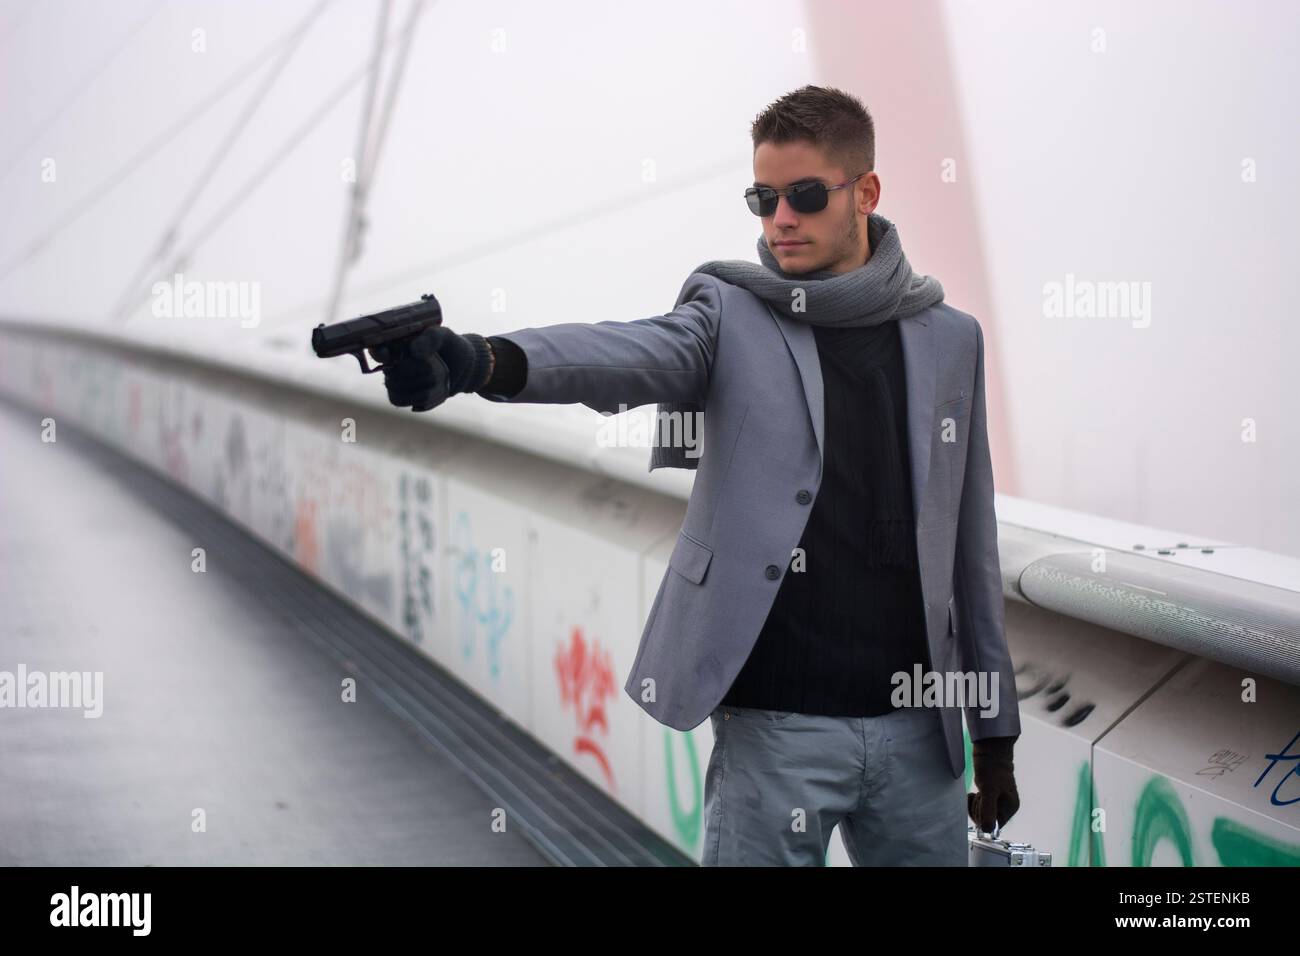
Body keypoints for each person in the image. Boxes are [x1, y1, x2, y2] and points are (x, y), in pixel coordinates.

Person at [369, 85, 1020, 866]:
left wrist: (997, 734)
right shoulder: (731, 313)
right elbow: (624, 356)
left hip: (920, 733)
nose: (780, 219)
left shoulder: (950, 339)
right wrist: (482, 360)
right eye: (763, 197)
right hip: (774, 726)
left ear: (866, 193)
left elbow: (969, 548)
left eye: (806, 196)